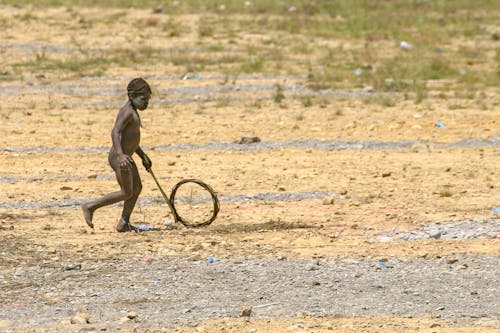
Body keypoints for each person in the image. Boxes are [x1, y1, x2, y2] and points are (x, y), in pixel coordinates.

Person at [81, 78, 153, 232]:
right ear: (131, 96)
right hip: (119, 157)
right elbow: (115, 132)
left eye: (148, 99)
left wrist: (143, 156)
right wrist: (120, 155)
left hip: (127, 156)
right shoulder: (127, 112)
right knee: (126, 192)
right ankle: (90, 206)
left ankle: (123, 223)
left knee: (137, 188)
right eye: (143, 98)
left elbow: (132, 139)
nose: (146, 102)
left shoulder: (134, 111)